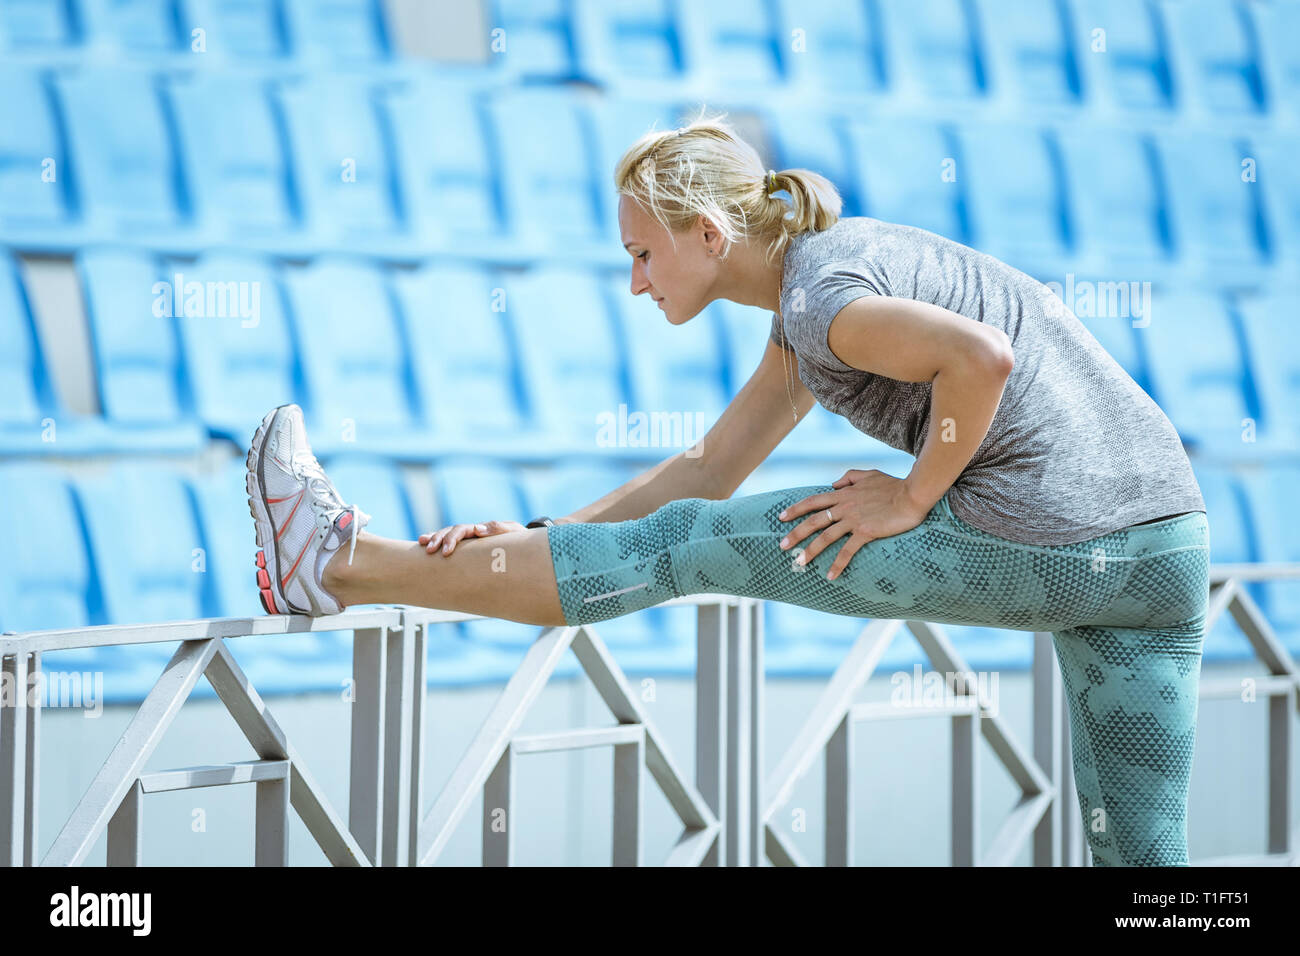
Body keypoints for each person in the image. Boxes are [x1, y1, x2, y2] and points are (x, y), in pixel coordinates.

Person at [245, 113, 1210, 866]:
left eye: (640, 254)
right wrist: (542, 533)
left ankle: (338, 564)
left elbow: (980, 359)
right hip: (1165, 553)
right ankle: (348, 563)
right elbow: (707, 467)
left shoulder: (822, 296)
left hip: (1064, 530)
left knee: (692, 544)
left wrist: (913, 498)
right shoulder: (818, 299)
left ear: (707, 233)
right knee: (1145, 861)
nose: (634, 282)